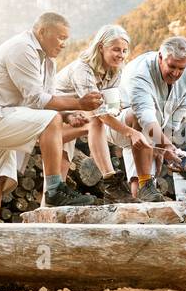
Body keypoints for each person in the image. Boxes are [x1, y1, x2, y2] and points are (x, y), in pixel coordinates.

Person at [0, 12, 102, 221]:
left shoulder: (48, 62)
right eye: (60, 37)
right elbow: (36, 99)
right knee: (51, 121)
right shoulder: (22, 47)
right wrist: (79, 103)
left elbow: (46, 103)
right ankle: (55, 189)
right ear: (42, 31)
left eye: (66, 39)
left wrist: (67, 115)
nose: (64, 44)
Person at [54, 24, 152, 203]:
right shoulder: (82, 70)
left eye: (124, 50)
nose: (121, 55)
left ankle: (113, 183)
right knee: (95, 122)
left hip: (74, 120)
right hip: (52, 122)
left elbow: (109, 106)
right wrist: (130, 132)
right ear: (100, 47)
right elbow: (99, 113)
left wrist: (117, 108)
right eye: (116, 49)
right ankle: (110, 181)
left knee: (55, 186)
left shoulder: (115, 71)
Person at [120, 35, 186, 202]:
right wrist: (166, 144)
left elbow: (180, 109)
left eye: (181, 69)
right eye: (172, 66)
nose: (176, 73)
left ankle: (142, 206)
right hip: (120, 125)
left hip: (151, 129)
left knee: (146, 179)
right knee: (139, 121)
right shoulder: (139, 73)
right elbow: (145, 117)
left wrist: (163, 143)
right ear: (160, 57)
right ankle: (145, 184)